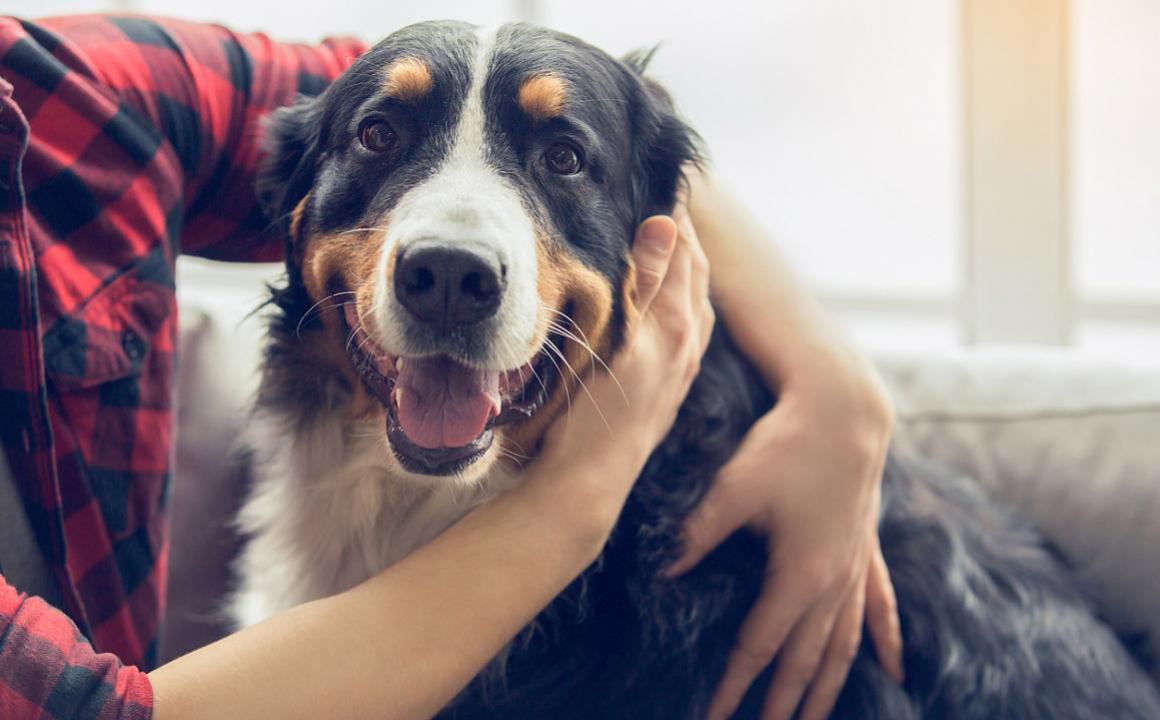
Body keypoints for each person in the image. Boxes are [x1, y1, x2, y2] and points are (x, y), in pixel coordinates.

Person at [0, 14, 900, 720]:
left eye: (562, 158)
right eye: (385, 142)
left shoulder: (63, 91)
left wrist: (837, 389)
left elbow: (472, 73)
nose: (453, 252)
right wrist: (583, 493)